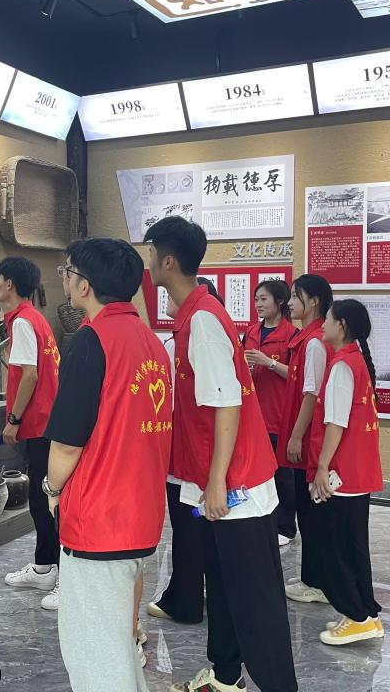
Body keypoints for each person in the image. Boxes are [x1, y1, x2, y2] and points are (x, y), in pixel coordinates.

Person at [144, 217, 297, 692]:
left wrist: (216, 483)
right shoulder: (194, 315)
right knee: (226, 588)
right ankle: (226, 677)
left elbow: (228, 403)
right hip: (217, 477)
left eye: (151, 253)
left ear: (169, 261)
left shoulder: (204, 321)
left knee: (254, 599)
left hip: (237, 486)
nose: (148, 262)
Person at [44, 238, 172, 691]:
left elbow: (66, 445)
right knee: (117, 642)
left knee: (94, 651)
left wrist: (52, 490)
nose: (65, 279)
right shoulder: (152, 342)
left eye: (67, 271)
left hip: (99, 518)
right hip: (140, 513)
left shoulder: (91, 342)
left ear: (84, 285)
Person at [310, 299, 384, 646]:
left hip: (342, 473)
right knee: (353, 547)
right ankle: (364, 614)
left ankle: (358, 617)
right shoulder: (356, 361)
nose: (322, 323)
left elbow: (336, 424)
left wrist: (322, 466)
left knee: (337, 551)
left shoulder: (342, 366)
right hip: (356, 473)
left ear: (341, 325)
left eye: (327, 318)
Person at [147, 277, 220, 626]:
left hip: (185, 450)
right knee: (199, 526)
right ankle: (196, 591)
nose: (169, 298)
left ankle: (185, 599)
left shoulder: (180, 343)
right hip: (204, 449)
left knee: (187, 526)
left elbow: (168, 404)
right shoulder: (199, 337)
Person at [0, 257, 61, 609]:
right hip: (48, 423)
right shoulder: (35, 318)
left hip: (39, 425)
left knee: (46, 500)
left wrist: (14, 418)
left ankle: (57, 572)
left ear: (9, 284)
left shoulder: (23, 321)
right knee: (41, 499)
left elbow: (31, 375)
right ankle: (44, 566)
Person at [279, 274, 334, 606]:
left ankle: (318, 582)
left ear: (313, 301)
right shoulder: (307, 339)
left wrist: (296, 436)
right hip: (306, 436)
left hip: (309, 438)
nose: (289, 303)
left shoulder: (314, 342)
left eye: (295, 296)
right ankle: (313, 577)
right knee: (307, 511)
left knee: (312, 514)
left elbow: (311, 395)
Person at [242, 280, 299, 546]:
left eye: (263, 299)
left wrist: (269, 363)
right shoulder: (251, 332)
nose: (258, 305)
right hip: (254, 415)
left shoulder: (292, 335)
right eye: (256, 299)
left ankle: (285, 527)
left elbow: (297, 376)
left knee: (283, 477)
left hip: (279, 415)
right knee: (257, 474)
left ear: (280, 301)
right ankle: (261, 522)